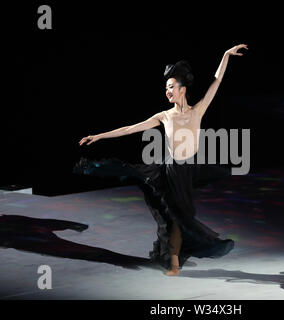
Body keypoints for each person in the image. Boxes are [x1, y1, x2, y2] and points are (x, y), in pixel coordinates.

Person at [76, 44, 248, 276]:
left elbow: (216, 82)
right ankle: (174, 262)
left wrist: (226, 55)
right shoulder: (164, 116)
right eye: (166, 88)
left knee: (182, 216)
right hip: (170, 171)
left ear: (182, 89)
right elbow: (130, 129)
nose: (167, 91)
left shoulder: (198, 110)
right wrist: (98, 136)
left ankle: (177, 257)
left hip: (190, 170)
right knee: (176, 216)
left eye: (171, 87)